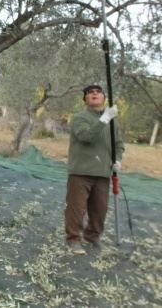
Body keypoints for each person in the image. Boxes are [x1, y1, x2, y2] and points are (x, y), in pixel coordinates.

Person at [65, 84, 124, 255]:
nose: (95, 94)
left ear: (104, 98)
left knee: (100, 209)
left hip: (103, 172)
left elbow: (118, 144)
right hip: (81, 172)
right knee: (76, 208)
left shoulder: (113, 122)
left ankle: (92, 237)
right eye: (90, 93)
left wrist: (118, 160)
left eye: (99, 92)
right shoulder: (80, 118)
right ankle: (73, 240)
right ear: (85, 99)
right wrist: (104, 118)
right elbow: (86, 137)